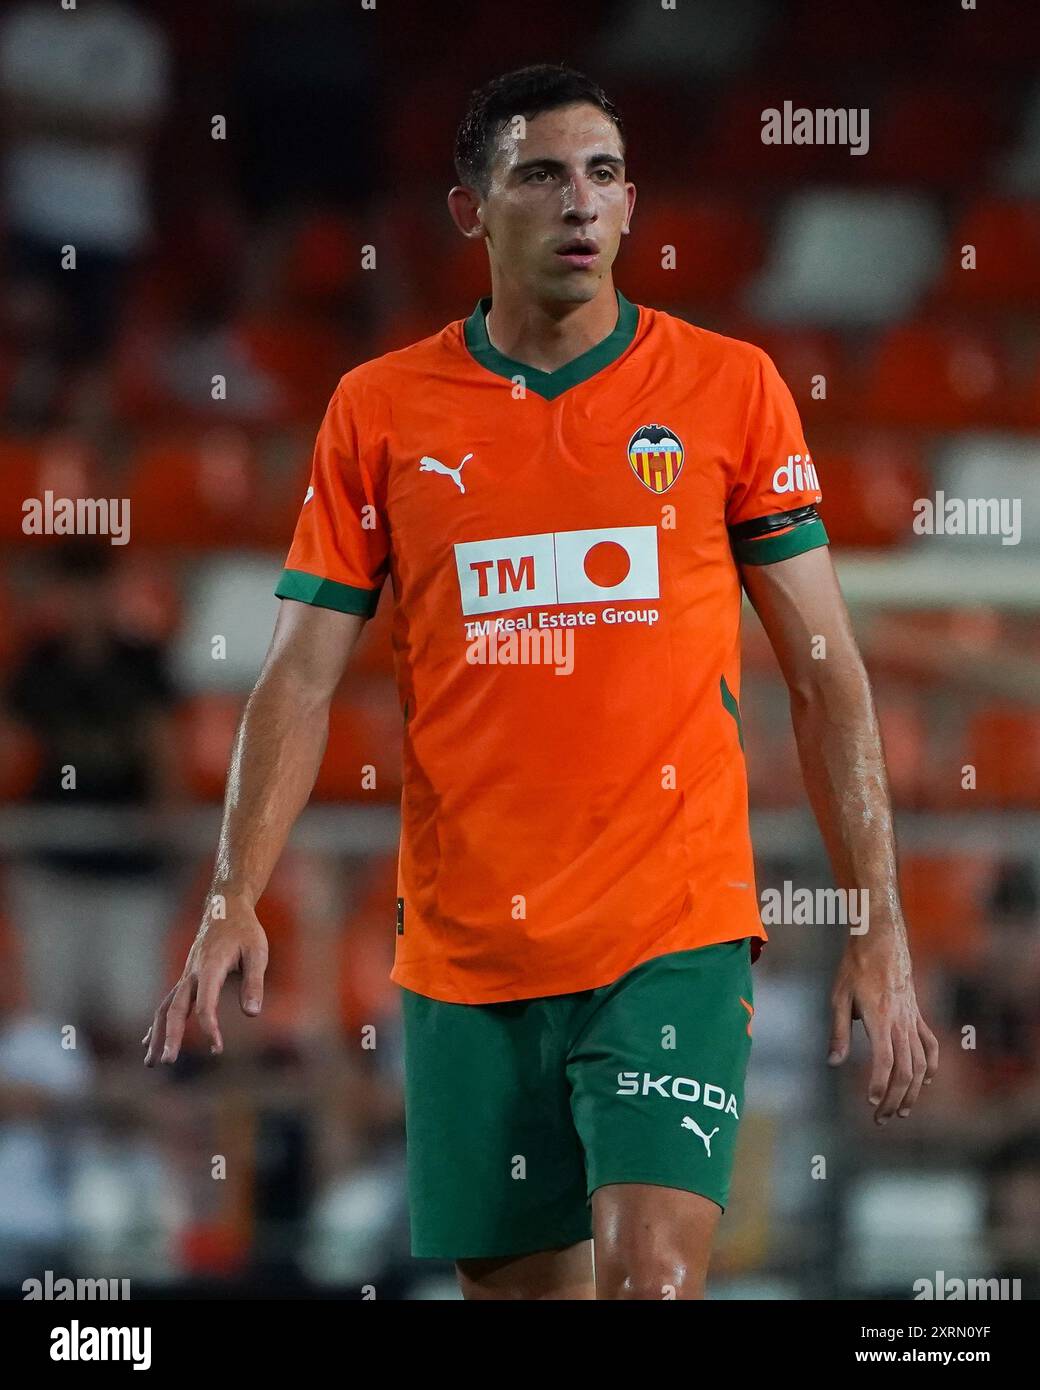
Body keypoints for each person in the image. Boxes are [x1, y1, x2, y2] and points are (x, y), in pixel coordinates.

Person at [144, 64, 939, 1300]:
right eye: (541, 174)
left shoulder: (728, 389)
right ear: (471, 209)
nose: (580, 202)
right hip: (471, 947)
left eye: (605, 174)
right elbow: (298, 679)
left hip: (669, 927)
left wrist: (877, 923)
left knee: (649, 1279)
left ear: (631, 208)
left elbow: (827, 676)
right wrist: (231, 898)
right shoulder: (380, 408)